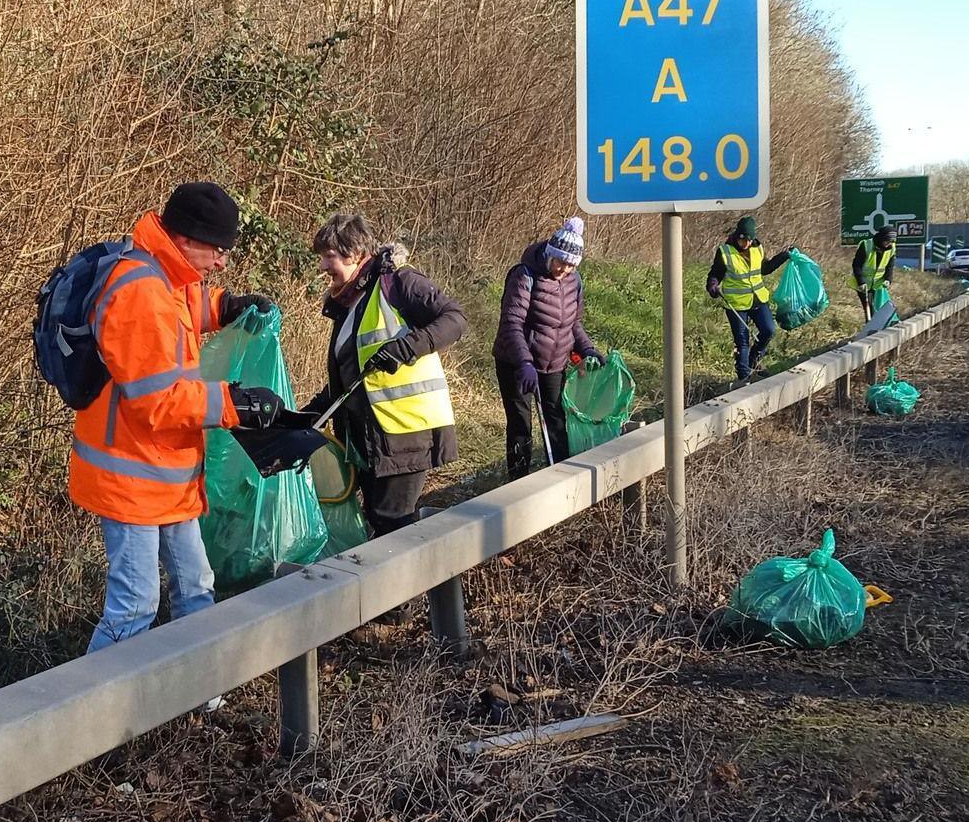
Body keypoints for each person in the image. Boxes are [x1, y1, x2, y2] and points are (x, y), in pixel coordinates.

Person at [69, 182, 281, 652]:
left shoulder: (166, 272)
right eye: (220, 250)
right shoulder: (139, 292)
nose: (223, 261)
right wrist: (233, 404)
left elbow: (184, 311)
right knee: (136, 604)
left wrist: (225, 307)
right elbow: (158, 401)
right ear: (188, 240)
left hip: (168, 472)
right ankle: (94, 715)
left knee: (196, 585)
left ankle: (200, 692)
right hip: (133, 476)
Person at [300, 213, 466, 536]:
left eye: (328, 257)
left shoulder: (398, 283)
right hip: (368, 439)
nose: (322, 267)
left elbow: (455, 319)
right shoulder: (349, 304)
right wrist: (307, 414)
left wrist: (405, 348)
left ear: (355, 254)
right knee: (380, 523)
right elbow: (351, 377)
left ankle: (419, 584)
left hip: (405, 434)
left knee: (392, 526)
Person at [495, 217, 607, 478]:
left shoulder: (574, 281)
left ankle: (560, 479)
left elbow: (573, 324)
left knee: (556, 419)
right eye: (560, 262)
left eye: (570, 265)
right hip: (517, 363)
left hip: (554, 363)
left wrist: (587, 349)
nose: (563, 269)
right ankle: (518, 481)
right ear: (550, 254)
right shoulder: (524, 275)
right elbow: (512, 322)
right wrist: (524, 362)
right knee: (521, 423)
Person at [705, 215, 792, 384]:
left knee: (768, 330)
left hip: (758, 299)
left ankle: (755, 360)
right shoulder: (725, 251)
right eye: (742, 239)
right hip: (736, 304)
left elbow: (764, 269)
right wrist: (713, 285)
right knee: (742, 340)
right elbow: (715, 273)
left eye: (749, 240)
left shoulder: (757, 249)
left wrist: (783, 256)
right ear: (737, 236)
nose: (745, 243)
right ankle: (744, 377)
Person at [852, 225, 896, 317]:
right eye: (887, 240)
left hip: (879, 284)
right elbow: (857, 265)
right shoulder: (866, 245)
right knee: (869, 308)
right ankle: (870, 326)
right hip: (864, 285)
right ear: (881, 238)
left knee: (879, 307)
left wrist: (888, 279)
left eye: (891, 241)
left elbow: (890, 266)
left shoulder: (891, 248)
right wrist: (861, 282)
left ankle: (879, 326)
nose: (889, 243)